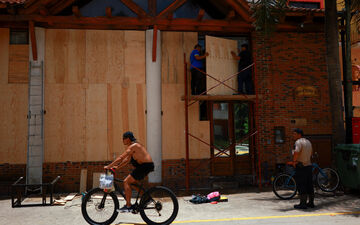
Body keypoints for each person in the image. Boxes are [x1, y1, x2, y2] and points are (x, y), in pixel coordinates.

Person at [104, 131, 154, 213]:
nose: (122, 140)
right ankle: (147, 198)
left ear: (127, 139)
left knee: (126, 181)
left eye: (123, 138)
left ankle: (128, 206)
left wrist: (109, 166)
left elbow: (121, 157)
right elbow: (126, 160)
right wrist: (117, 167)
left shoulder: (133, 146)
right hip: (144, 166)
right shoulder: (134, 146)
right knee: (131, 183)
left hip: (144, 166)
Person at [287, 128, 315, 209]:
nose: (293, 135)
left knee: (301, 185)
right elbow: (311, 152)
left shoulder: (298, 142)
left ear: (299, 134)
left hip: (301, 166)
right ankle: (311, 203)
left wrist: (294, 162)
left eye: (294, 134)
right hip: (309, 166)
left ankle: (303, 204)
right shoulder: (308, 142)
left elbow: (296, 152)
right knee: (309, 184)